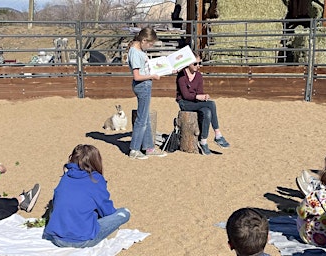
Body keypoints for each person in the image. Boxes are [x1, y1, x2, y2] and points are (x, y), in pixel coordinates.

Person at [43, 144, 130, 248]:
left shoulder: (65, 177)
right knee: (124, 212)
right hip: (82, 240)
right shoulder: (95, 179)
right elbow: (107, 211)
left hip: (56, 238)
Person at [176, 51, 230, 155]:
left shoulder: (199, 76)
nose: (198, 66)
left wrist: (202, 97)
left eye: (199, 63)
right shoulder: (181, 76)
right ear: (188, 64)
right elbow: (185, 95)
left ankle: (203, 141)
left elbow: (199, 92)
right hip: (184, 103)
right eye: (195, 64)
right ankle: (218, 134)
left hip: (195, 102)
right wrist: (198, 96)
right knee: (211, 104)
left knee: (207, 112)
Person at [127, 26, 167, 160]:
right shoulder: (135, 52)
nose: (150, 46)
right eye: (150, 44)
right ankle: (134, 149)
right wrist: (152, 76)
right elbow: (137, 76)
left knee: (145, 118)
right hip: (142, 85)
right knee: (141, 119)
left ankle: (149, 147)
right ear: (143, 40)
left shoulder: (138, 51)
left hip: (145, 85)